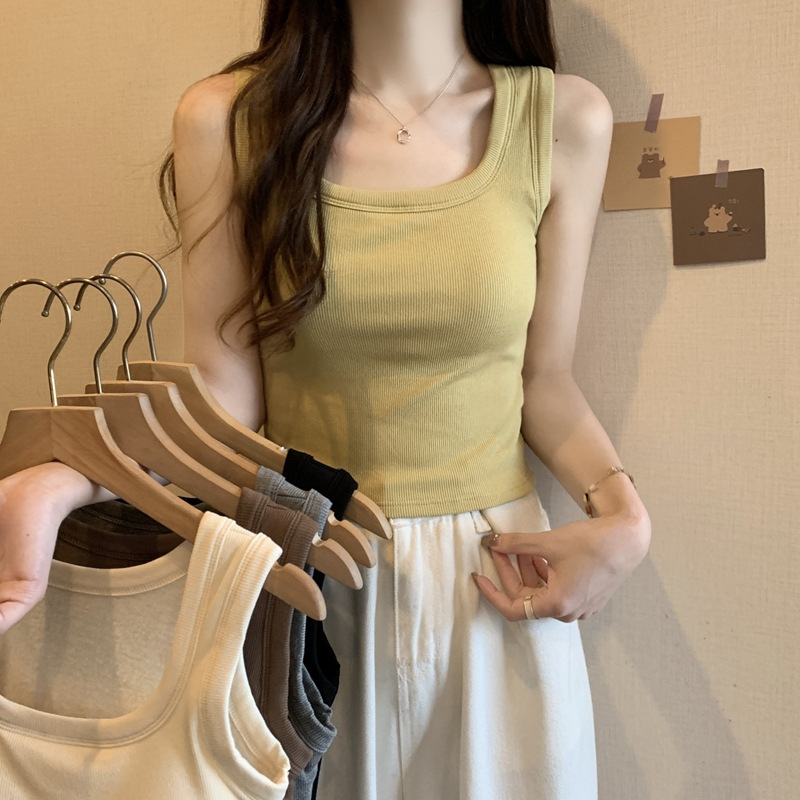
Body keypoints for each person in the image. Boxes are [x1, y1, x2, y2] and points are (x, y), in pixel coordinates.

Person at [0, 1, 650, 798]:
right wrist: (62, 482)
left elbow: (543, 379)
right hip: (305, 585)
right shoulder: (229, 122)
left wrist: (625, 520)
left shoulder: (562, 120)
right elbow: (219, 401)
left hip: (499, 587)